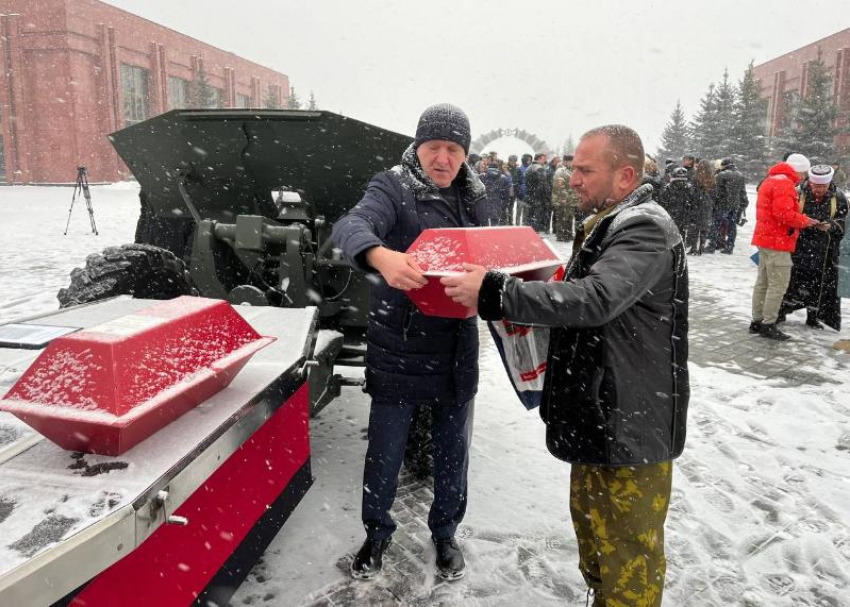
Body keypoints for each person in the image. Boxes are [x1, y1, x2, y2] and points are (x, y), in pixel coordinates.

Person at [441, 125, 689, 607]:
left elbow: (596, 299)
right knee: (599, 549)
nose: (571, 179)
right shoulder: (611, 220)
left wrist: (498, 292)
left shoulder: (645, 226)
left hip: (632, 427)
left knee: (628, 567)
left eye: (584, 170)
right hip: (604, 416)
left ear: (625, 176)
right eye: (572, 167)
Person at [331, 103, 484, 581]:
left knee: (452, 453)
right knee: (385, 452)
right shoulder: (392, 185)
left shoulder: (476, 193)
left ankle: (445, 534)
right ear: (418, 148)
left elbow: (492, 248)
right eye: (434, 147)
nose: (443, 158)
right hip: (399, 347)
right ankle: (376, 535)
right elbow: (349, 227)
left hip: (457, 346)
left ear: (464, 154)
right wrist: (380, 255)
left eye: (453, 149)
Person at [750, 154, 820, 341]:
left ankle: (757, 321)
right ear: (799, 169)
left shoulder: (770, 180)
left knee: (763, 283)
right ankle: (768, 324)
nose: (804, 177)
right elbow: (784, 214)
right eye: (804, 172)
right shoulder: (785, 184)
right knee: (777, 285)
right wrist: (806, 221)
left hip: (765, 238)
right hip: (778, 241)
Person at [779, 164, 848, 330]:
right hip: (798, 244)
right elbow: (786, 215)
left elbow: (843, 222)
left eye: (822, 187)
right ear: (810, 182)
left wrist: (830, 226)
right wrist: (804, 221)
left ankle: (813, 316)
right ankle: (781, 311)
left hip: (823, 250)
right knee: (790, 281)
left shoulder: (838, 197)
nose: (818, 190)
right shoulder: (797, 192)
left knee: (819, 285)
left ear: (829, 184)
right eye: (815, 186)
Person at [710, 158, 748, 254]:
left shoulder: (721, 175)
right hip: (735, 205)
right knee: (732, 226)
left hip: (722, 204)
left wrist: (713, 203)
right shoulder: (740, 175)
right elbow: (742, 191)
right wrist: (743, 203)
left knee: (716, 224)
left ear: (723, 165)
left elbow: (716, 192)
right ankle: (729, 246)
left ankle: (712, 245)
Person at [686, 159, 716, 255]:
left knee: (695, 227)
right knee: (704, 227)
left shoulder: (695, 177)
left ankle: (693, 248)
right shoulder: (712, 178)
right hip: (707, 205)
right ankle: (701, 249)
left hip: (697, 204)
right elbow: (715, 193)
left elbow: (692, 192)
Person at [659, 166, 694, 236]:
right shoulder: (689, 188)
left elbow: (663, 202)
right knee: (681, 235)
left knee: (672, 236)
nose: (680, 182)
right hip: (681, 217)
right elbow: (692, 203)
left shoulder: (668, 188)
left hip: (673, 216)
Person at [551, 154, 579, 240]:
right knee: (562, 218)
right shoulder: (561, 172)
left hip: (570, 200)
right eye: (572, 162)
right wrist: (565, 198)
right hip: (563, 200)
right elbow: (560, 187)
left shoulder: (570, 170)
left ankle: (568, 234)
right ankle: (561, 235)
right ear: (566, 162)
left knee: (569, 218)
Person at [481, 158, 513, 225]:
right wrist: (504, 205)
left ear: (489, 166)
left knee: (484, 225)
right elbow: (506, 195)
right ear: (498, 167)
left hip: (484, 204)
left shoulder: (482, 176)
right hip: (497, 204)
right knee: (495, 224)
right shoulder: (503, 178)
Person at [525, 152, 551, 233]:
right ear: (539, 159)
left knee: (530, 215)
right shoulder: (540, 168)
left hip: (530, 195)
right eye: (544, 159)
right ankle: (535, 233)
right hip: (538, 197)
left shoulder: (529, 167)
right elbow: (543, 185)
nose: (545, 161)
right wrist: (546, 197)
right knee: (537, 216)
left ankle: (530, 232)